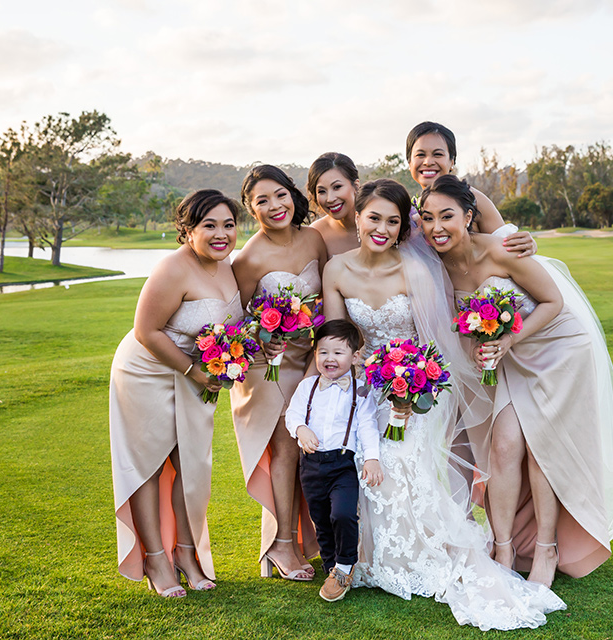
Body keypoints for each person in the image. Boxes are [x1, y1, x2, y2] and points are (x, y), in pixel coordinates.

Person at [322, 178, 566, 631]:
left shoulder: (416, 267)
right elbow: (339, 340)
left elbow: (435, 338)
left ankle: (434, 556)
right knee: (355, 451)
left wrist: (411, 386)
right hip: (363, 385)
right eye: (373, 217)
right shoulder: (335, 269)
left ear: (402, 228)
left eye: (392, 221)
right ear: (356, 217)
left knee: (401, 454)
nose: (381, 227)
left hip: (416, 386)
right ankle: (360, 557)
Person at [419, 175, 613, 587]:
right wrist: (479, 348)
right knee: (503, 447)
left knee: (543, 450)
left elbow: (554, 301)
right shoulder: (438, 266)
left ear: (469, 216)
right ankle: (502, 547)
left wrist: (508, 339)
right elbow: (462, 326)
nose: (437, 227)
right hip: (510, 360)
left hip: (558, 350)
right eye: (428, 218)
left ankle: (546, 548)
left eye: (447, 216)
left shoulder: (502, 251)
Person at [109, 189, 244, 597]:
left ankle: (186, 553)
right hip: (147, 371)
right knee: (149, 464)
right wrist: (193, 371)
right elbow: (146, 331)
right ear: (187, 231)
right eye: (209, 226)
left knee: (190, 464)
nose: (221, 234)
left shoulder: (228, 267)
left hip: (196, 375)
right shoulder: (172, 268)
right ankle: (154, 558)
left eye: (229, 225)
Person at [230, 164, 328, 581]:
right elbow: (234, 321)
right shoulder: (249, 258)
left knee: (312, 444)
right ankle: (283, 546)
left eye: (280, 195)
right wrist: (261, 336)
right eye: (261, 201)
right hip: (267, 367)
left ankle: (308, 538)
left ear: (293, 194)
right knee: (286, 448)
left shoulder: (314, 238)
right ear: (251, 210)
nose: (274, 206)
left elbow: (328, 296)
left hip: (312, 360)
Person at [285, 319, 383, 602]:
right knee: (322, 520)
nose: (329, 358)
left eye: (338, 353)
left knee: (342, 513)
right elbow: (293, 416)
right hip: (311, 465)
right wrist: (301, 429)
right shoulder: (307, 387)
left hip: (342, 465)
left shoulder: (361, 391)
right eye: (323, 351)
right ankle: (331, 566)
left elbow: (367, 426)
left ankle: (344, 564)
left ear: (354, 357)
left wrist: (372, 459)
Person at [405, 121, 537, 257]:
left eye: (437, 154)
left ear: (452, 161)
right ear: (409, 163)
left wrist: (528, 244)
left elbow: (509, 246)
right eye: (420, 155)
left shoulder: (473, 198)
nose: (428, 162)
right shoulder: (410, 208)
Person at [308, 152, 362, 259]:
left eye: (337, 187)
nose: (330, 199)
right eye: (322, 191)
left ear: (356, 186)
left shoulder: (380, 222)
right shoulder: (316, 234)